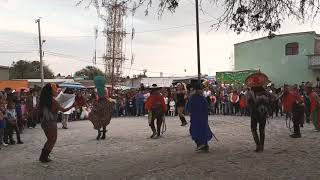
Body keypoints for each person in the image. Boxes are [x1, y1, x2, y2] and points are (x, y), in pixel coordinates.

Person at [38, 83, 75, 163]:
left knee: (49, 140)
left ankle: (43, 156)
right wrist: (72, 106)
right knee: (52, 140)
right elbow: (63, 110)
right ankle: (44, 157)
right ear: (51, 91)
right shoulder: (53, 101)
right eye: (56, 90)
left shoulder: (43, 100)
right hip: (51, 122)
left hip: (44, 122)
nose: (57, 92)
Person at [246, 73, 270, 152]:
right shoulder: (265, 92)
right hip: (263, 113)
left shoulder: (250, 92)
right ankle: (262, 146)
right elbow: (270, 101)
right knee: (262, 130)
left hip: (254, 113)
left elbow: (248, 103)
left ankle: (258, 145)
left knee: (253, 129)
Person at [187, 84, 213, 152]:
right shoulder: (196, 98)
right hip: (198, 117)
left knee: (199, 131)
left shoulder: (198, 98)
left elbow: (189, 108)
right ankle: (203, 145)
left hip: (200, 117)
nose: (200, 91)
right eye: (200, 90)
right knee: (199, 130)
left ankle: (202, 145)